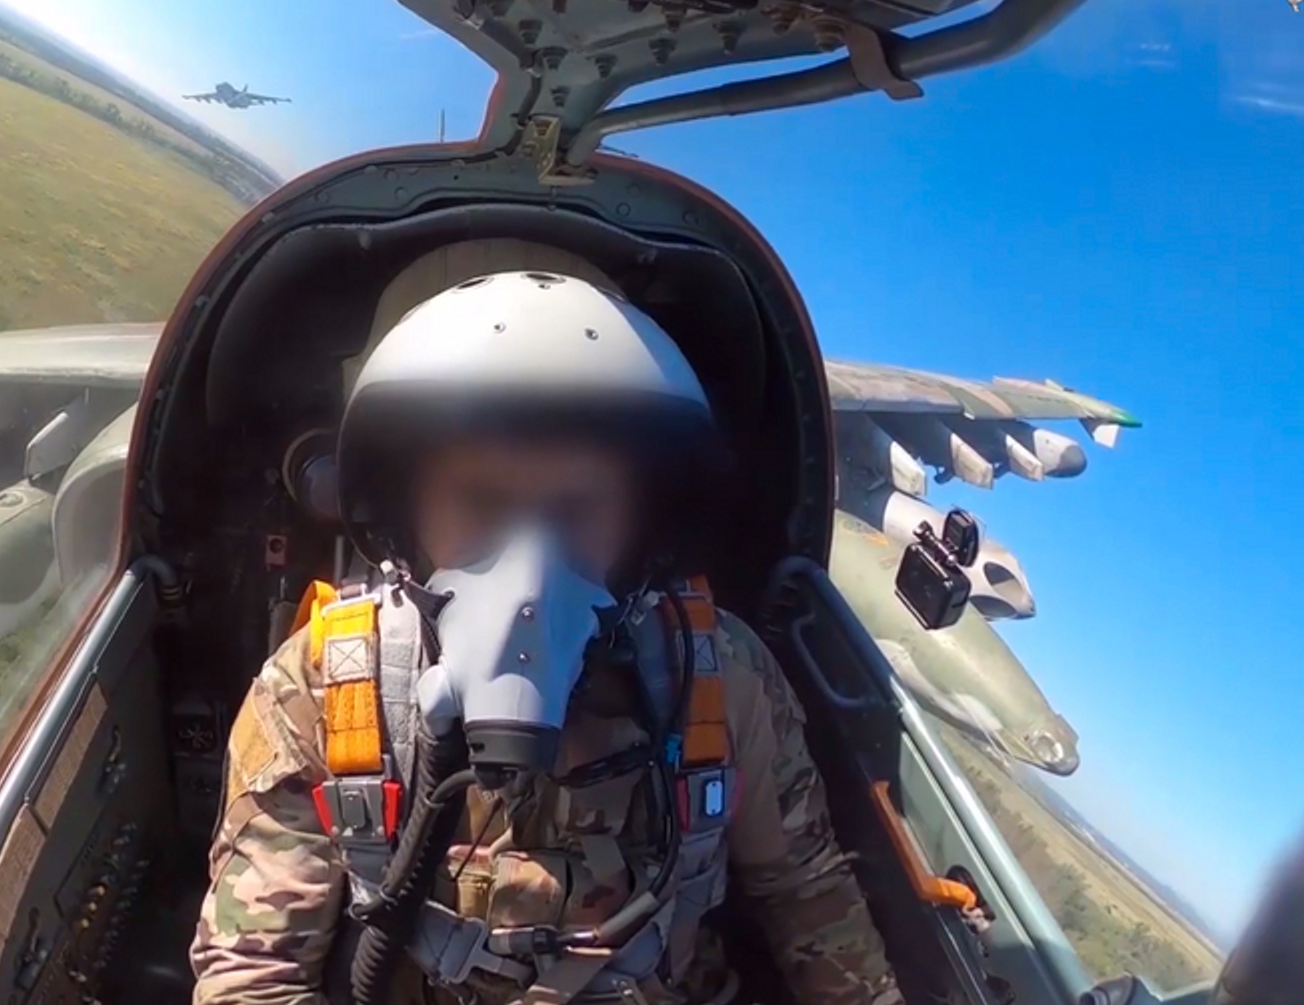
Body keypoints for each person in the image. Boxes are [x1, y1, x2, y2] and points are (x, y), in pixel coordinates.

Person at [189, 240, 904, 1005]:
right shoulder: (326, 686)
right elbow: (254, 975)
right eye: (482, 501)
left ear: (644, 527)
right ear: (404, 516)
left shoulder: (719, 675)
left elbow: (809, 898)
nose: (529, 571)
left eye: (576, 507)